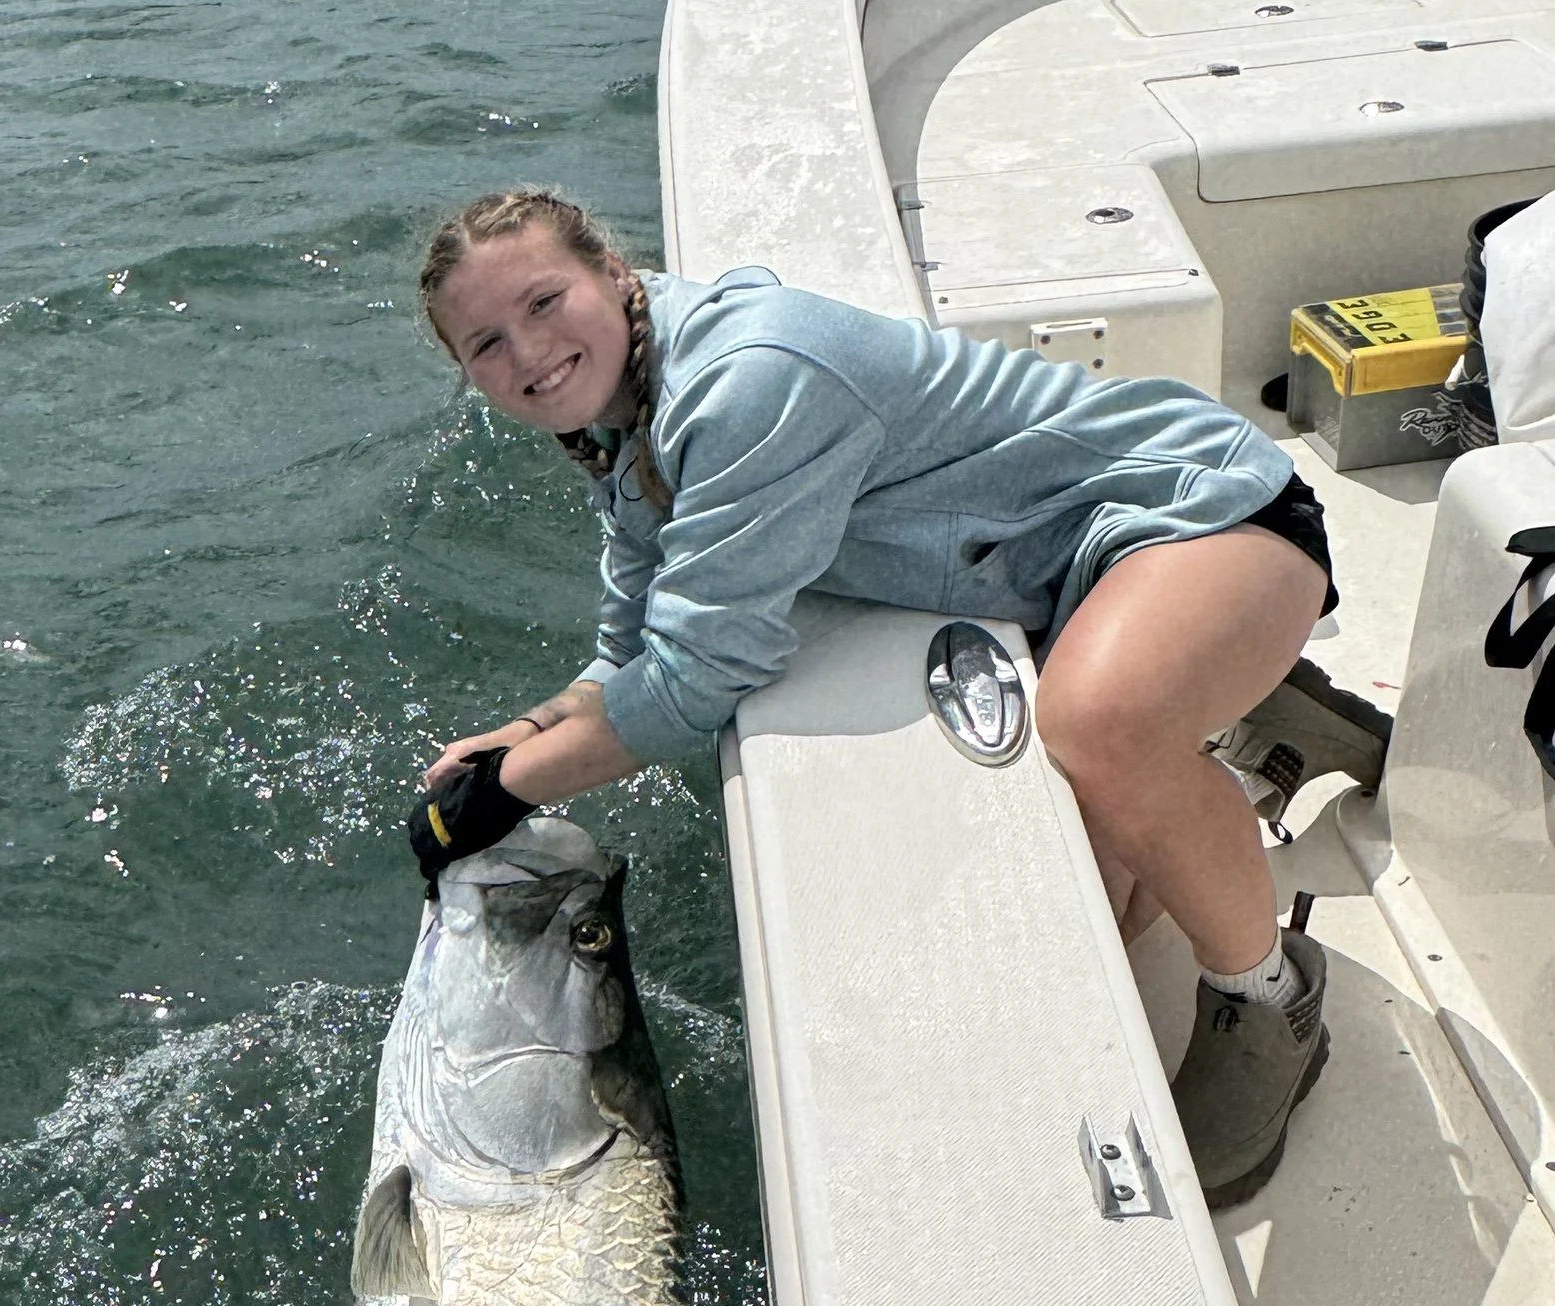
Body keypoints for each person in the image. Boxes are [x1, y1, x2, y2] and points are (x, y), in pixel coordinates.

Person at [409, 187, 1389, 1209]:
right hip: (1074, 590)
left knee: (1100, 727)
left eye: (540, 302)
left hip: (1201, 512)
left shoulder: (747, 381)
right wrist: (521, 736)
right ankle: (1241, 711)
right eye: (483, 345)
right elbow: (635, 642)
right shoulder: (625, 411)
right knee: (1093, 924)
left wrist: (502, 798)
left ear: (613, 272)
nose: (523, 354)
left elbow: (699, 678)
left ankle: (1268, 997)